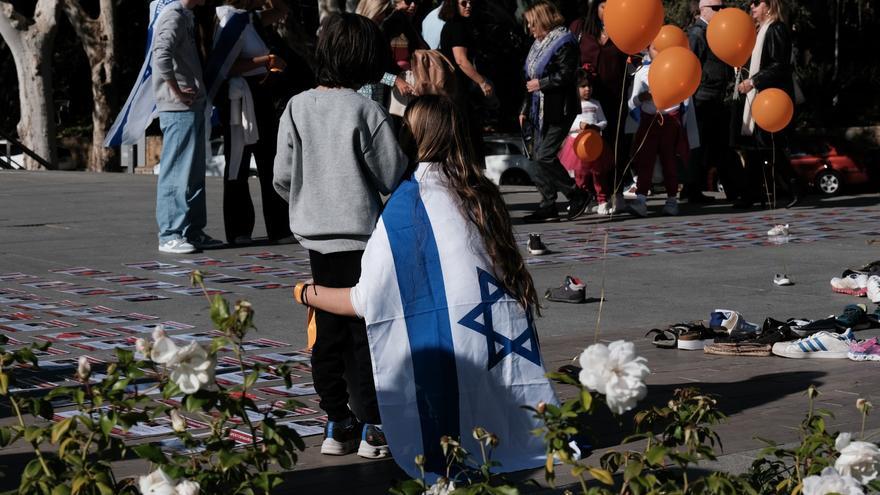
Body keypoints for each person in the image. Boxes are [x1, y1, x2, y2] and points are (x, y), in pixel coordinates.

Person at [290, 95, 557, 481]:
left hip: (449, 379)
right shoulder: (483, 196)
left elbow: (365, 301)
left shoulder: (405, 206)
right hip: (503, 371)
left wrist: (305, 293)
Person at [272, 13, 409, 459]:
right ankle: (373, 425)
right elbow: (392, 173)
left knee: (325, 331)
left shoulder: (296, 106)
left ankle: (337, 420)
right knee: (364, 329)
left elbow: (281, 176)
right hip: (362, 237)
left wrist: (307, 200)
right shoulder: (365, 109)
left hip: (314, 236)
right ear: (366, 58)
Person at [215, 0, 294, 246]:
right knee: (238, 160)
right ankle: (239, 229)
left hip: (261, 94)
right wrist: (265, 61)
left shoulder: (251, 18)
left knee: (269, 159)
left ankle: (279, 227)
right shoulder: (228, 17)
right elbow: (225, 65)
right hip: (240, 96)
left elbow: (282, 10)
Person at [152, 0, 224, 254]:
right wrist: (176, 91)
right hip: (178, 108)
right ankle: (170, 233)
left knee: (192, 173)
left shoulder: (186, 15)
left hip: (189, 106)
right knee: (177, 172)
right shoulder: (173, 15)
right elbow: (160, 54)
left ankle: (191, 230)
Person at [518, 0, 591, 223]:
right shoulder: (538, 43)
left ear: (542, 20)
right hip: (536, 108)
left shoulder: (563, 41)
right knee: (533, 157)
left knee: (545, 155)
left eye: (532, 24)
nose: (529, 29)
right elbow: (529, 78)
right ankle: (548, 203)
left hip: (559, 108)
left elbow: (567, 74)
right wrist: (523, 108)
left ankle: (576, 193)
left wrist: (542, 83)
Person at [734, 0, 800, 209]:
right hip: (761, 97)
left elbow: (779, 65)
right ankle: (751, 194)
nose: (751, 6)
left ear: (769, 6)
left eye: (756, 2)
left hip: (771, 98)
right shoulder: (760, 30)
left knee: (770, 146)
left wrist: (753, 81)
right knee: (757, 147)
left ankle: (794, 188)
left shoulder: (776, 29)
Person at [569, 0, 629, 212]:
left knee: (614, 147)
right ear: (595, 8)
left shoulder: (624, 31)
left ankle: (616, 191)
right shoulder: (580, 28)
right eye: (604, 6)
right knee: (587, 148)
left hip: (614, 100)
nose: (607, 12)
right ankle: (589, 195)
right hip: (586, 101)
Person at [626, 43, 699, 217]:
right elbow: (632, 102)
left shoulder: (677, 70)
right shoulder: (642, 72)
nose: (659, 52)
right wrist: (642, 98)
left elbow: (685, 98)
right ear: (648, 50)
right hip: (649, 120)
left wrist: (681, 120)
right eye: (655, 48)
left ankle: (672, 200)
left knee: (669, 160)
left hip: (670, 121)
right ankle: (641, 199)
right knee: (646, 160)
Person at [685, 0, 733, 204]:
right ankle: (692, 189)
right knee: (701, 146)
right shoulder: (697, 33)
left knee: (711, 146)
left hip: (714, 96)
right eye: (715, 8)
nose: (720, 11)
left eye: (722, 7)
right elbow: (691, 64)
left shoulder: (716, 31)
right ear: (703, 9)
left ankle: (693, 188)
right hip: (703, 98)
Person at [557, 71, 613, 215]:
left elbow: (604, 121)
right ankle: (582, 199)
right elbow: (567, 124)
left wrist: (596, 127)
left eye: (589, 86)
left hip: (594, 144)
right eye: (583, 86)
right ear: (576, 88)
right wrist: (579, 126)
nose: (587, 89)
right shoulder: (571, 104)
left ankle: (602, 200)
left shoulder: (596, 104)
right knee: (580, 175)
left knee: (598, 173)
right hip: (576, 144)